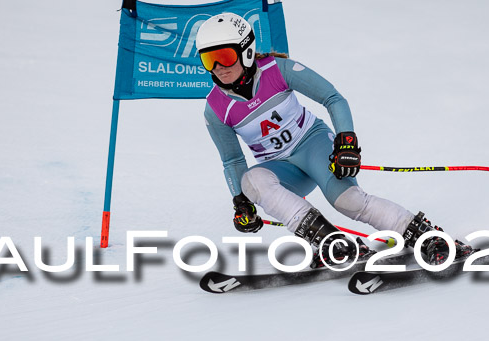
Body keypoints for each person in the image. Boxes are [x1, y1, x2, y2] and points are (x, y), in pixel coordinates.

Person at [196, 13, 472, 268]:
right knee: (251, 182)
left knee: (349, 201)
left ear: (245, 50)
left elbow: (333, 98)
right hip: (282, 169)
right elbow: (232, 160)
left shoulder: (277, 70)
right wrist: (241, 202)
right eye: (209, 60)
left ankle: (426, 236)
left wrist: (346, 143)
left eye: (224, 56)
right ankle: (331, 243)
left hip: (314, 147)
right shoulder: (215, 108)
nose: (219, 67)